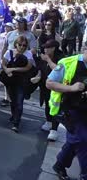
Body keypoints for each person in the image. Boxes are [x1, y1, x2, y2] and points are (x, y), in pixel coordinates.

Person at [46, 48, 87, 180]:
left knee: (74, 140)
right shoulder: (68, 62)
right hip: (68, 110)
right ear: (85, 49)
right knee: (83, 140)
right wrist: (71, 88)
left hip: (84, 110)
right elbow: (49, 83)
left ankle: (59, 165)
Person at [2, 36, 33, 133]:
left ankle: (16, 123)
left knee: (19, 102)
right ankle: (14, 115)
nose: (22, 47)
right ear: (16, 44)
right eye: (20, 45)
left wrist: (14, 69)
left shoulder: (28, 54)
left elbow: (28, 67)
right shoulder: (9, 52)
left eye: (24, 45)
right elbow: (3, 63)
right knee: (13, 100)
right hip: (11, 80)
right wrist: (6, 69)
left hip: (22, 81)